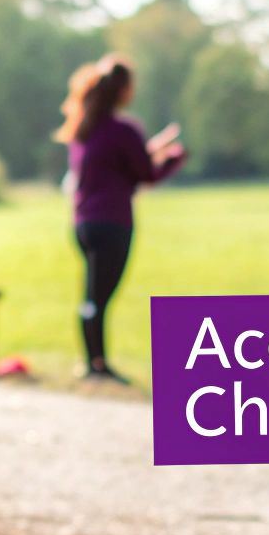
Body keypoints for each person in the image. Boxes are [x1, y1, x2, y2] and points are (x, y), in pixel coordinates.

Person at [56, 54, 186, 385]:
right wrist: (173, 158)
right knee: (100, 297)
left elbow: (116, 166)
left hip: (83, 223)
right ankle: (97, 366)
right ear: (125, 90)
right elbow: (146, 174)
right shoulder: (124, 129)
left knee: (91, 294)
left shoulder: (83, 129)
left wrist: (150, 149)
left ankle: (92, 361)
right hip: (112, 222)